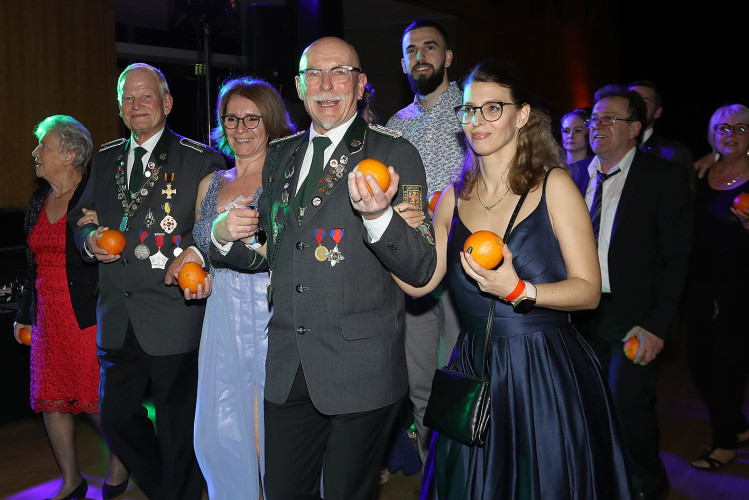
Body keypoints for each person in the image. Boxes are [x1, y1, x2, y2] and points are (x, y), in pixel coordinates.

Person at [209, 36, 437, 499]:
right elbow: (269, 253)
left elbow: (420, 267)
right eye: (314, 73)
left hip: (362, 365)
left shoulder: (394, 153)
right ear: (298, 84)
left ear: (360, 85)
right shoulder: (280, 156)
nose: (327, 84)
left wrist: (378, 216)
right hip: (288, 361)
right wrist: (220, 237)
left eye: (340, 73)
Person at [394, 59, 631, 499]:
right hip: (474, 366)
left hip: (544, 368)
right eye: (468, 110)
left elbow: (589, 290)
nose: (477, 121)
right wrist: (384, 229)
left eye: (492, 108)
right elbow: (420, 284)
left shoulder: (554, 186)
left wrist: (520, 290)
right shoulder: (450, 198)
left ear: (521, 116)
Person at [69, 63, 226, 500]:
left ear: (167, 103)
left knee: (179, 429)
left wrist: (197, 257)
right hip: (117, 315)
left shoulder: (200, 160)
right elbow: (81, 217)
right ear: (120, 107)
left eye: (146, 96)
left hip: (173, 314)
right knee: (117, 418)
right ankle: (164, 489)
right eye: (128, 97)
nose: (137, 105)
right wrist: (90, 240)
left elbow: (215, 226)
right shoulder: (103, 159)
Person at [570, 85, 693, 500]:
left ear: (635, 128)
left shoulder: (663, 177)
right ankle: (602, 480)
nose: (597, 125)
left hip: (633, 315)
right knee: (586, 405)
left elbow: (676, 259)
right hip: (580, 313)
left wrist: (657, 324)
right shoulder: (572, 175)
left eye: (610, 118)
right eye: (594, 118)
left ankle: (647, 483)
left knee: (627, 404)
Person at [180, 77, 294, 499]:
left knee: (268, 431)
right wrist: (190, 262)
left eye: (253, 119)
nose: (242, 128)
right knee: (219, 433)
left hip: (270, 307)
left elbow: (284, 250)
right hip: (224, 309)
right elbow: (201, 246)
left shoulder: (286, 178)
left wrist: (239, 237)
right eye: (232, 119)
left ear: (271, 123)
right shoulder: (211, 183)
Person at [13, 115, 127, 500]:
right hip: (47, 318)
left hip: (86, 316)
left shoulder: (94, 199)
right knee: (51, 400)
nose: (35, 152)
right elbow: (30, 267)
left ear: (70, 154)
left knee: (94, 398)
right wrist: (24, 314)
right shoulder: (36, 203)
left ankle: (120, 461)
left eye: (42, 145)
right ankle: (72, 480)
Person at [384, 18, 465, 462]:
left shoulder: (470, 113)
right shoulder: (398, 124)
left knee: (461, 375)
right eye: (411, 50)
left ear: (447, 57)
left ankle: (466, 474)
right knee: (419, 382)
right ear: (402, 61)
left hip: (462, 268)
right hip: (413, 268)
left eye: (430, 47)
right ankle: (433, 474)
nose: (421, 56)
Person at [688, 104, 749, 471]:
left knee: (729, 364)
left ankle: (724, 441)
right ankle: (737, 425)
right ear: (713, 135)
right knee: (700, 363)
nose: (731, 134)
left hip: (742, 288)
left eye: (741, 128)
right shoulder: (700, 172)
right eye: (723, 129)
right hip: (701, 285)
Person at [627, 80, 694, 170]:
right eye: (632, 101)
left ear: (657, 112)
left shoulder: (674, 154)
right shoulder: (609, 146)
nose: (637, 106)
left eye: (644, 102)